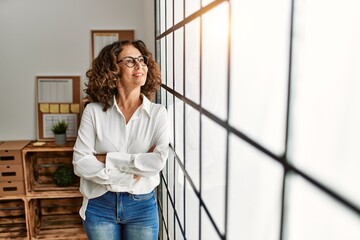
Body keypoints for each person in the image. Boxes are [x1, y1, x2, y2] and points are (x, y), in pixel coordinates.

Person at [72, 40, 169, 240]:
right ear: (112, 69)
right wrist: (129, 174)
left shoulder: (159, 113)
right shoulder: (93, 111)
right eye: (130, 61)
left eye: (142, 60)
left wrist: (106, 158)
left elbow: (157, 162)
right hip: (99, 203)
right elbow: (80, 163)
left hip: (142, 206)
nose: (140, 65)